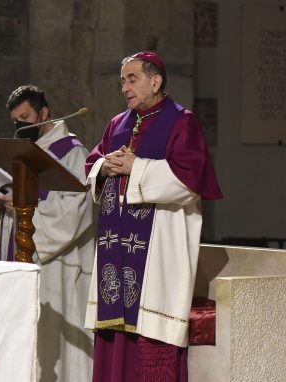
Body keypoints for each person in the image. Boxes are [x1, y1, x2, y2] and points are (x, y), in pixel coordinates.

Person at [84, 51, 223, 382]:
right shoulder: (118, 124)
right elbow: (92, 163)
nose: (125, 88)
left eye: (132, 79)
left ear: (155, 81)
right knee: (114, 327)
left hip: (159, 249)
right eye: (122, 81)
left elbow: (191, 180)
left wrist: (137, 168)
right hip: (115, 249)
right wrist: (107, 166)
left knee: (148, 330)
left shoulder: (182, 121)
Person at [0, 85, 95, 382]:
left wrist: (22, 209)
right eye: (16, 120)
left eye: (26, 116)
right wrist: (1, 206)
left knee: (57, 347)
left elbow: (71, 216)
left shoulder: (73, 153)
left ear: (44, 112)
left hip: (59, 269)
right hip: (31, 264)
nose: (21, 125)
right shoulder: (26, 154)